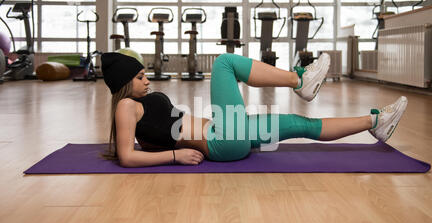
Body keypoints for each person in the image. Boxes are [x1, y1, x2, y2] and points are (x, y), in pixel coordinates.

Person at [101, 52, 407, 167]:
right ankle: (297, 80)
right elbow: (127, 156)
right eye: (140, 77)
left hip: (233, 134)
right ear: (124, 83)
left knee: (301, 124)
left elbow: (149, 140)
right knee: (224, 63)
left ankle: (375, 122)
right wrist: (176, 155)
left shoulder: (136, 107)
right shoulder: (127, 105)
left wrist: (166, 147)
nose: (147, 81)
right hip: (222, 139)